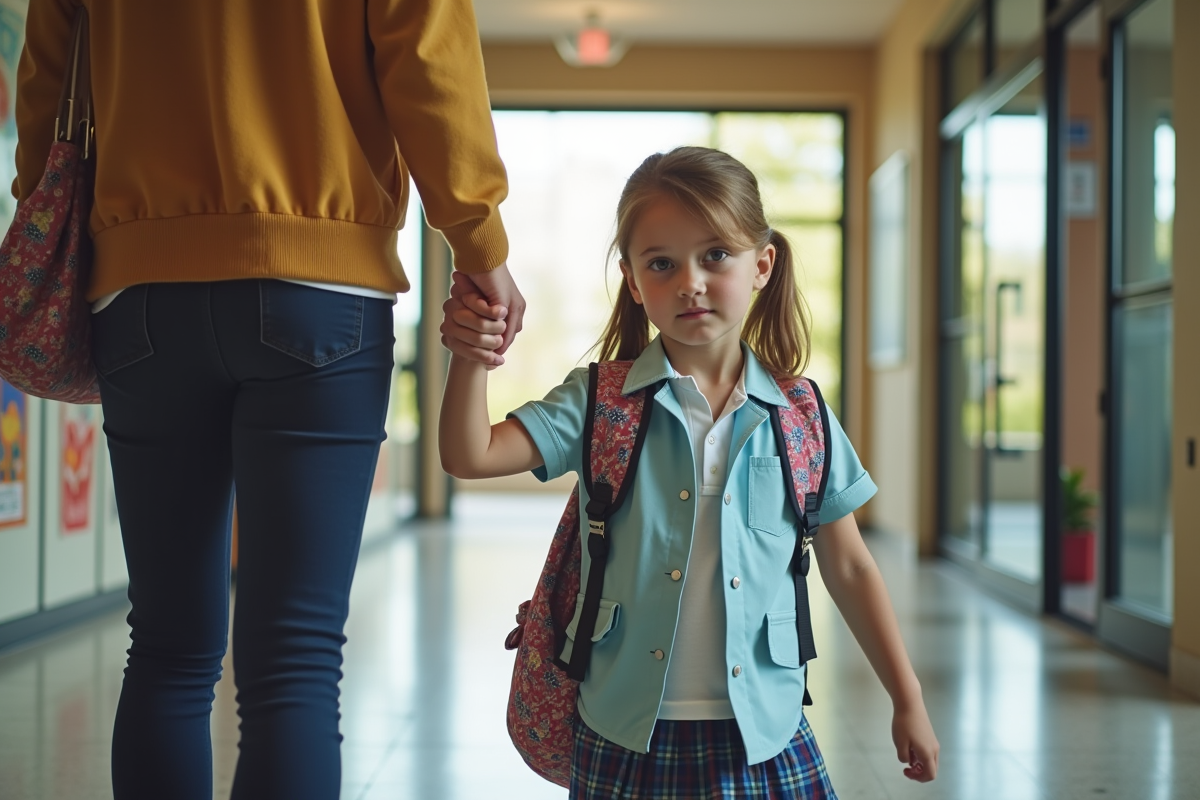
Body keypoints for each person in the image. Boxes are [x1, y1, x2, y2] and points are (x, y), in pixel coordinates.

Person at [12, 1, 521, 798]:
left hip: (143, 286)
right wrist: (477, 238)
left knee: (168, 646)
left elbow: (47, 75)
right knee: (296, 659)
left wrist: (41, 205)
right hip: (322, 284)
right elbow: (427, 60)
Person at [439, 146, 939, 798]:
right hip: (625, 728)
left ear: (762, 265)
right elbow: (469, 454)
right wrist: (470, 356)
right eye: (661, 264)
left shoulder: (801, 415)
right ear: (633, 280)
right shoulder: (599, 402)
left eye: (715, 256)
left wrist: (907, 697)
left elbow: (850, 567)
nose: (690, 282)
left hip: (764, 728)